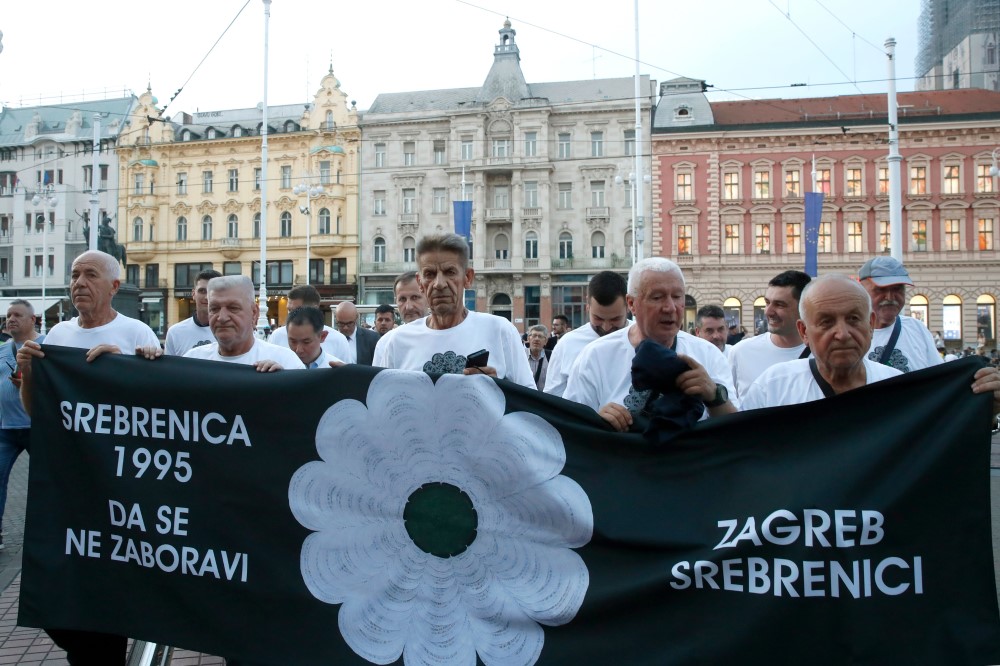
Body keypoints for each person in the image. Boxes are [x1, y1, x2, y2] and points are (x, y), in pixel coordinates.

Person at [16, 250, 160, 665]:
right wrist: (29, 375)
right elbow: (36, 412)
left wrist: (129, 370)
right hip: (72, 482)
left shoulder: (137, 334)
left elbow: (158, 415)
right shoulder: (57, 335)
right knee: (63, 582)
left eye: (90, 275)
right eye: (75, 274)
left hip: (121, 484)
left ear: (114, 286)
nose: (78, 282)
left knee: (108, 583)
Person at [740, 274, 987, 411]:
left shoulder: (897, 389)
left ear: (870, 324)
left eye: (853, 319)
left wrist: (984, 407)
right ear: (804, 331)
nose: (843, 333)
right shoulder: (772, 388)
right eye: (826, 322)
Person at [563, 257, 737, 432]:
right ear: (631, 304)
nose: (670, 307)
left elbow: (736, 432)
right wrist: (597, 421)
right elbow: (570, 430)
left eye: (677, 297)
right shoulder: (595, 357)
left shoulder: (708, 355)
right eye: (657, 297)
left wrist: (715, 396)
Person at [373, 233, 534, 388]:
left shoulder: (499, 331)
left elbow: (529, 401)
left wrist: (499, 390)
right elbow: (381, 404)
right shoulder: (397, 342)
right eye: (430, 274)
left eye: (450, 272)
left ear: (468, 277)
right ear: (420, 282)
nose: (439, 284)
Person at [181, 276, 304, 370]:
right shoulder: (191, 363)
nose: (222, 317)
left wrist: (283, 384)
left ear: (254, 312)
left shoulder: (286, 362)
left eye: (233, 308)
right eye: (214, 309)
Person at [544, 271, 630, 398]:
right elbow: (552, 399)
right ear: (587, 306)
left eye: (615, 319)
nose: (606, 327)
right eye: (598, 318)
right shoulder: (567, 344)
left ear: (629, 305)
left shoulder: (644, 339)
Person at [728, 270, 812, 399]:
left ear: (803, 307)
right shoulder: (740, 352)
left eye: (779, 305)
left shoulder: (822, 354)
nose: (768, 311)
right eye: (767, 302)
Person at [0, 300, 43, 550]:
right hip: (5, 428)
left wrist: (28, 383)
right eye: (8, 315)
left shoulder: (46, 345)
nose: (11, 319)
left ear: (32, 320)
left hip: (36, 426)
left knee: (46, 479)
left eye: (18, 314)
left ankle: (49, 528)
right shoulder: (3, 350)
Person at [858, 256, 941, 373]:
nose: (890, 297)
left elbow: (939, 377)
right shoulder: (850, 335)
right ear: (861, 291)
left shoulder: (917, 329)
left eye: (897, 289)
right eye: (880, 290)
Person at [269, 285, 350, 361]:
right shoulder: (277, 336)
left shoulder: (338, 340)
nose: (291, 316)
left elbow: (347, 374)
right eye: (289, 310)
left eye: (297, 311)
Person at [164, 269, 222, 355]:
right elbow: (168, 367)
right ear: (193, 294)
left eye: (213, 291)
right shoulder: (175, 332)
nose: (207, 297)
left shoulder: (232, 331)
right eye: (202, 291)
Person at [525, 324, 549, 390]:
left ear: (545, 341)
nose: (537, 339)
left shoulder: (551, 357)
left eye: (540, 336)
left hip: (544, 398)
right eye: (534, 335)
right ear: (528, 339)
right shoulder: (521, 356)